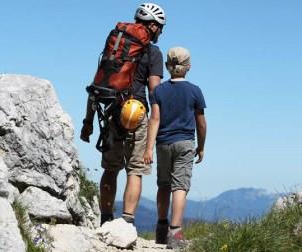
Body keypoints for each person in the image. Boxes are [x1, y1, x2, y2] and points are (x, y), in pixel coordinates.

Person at [80, 3, 166, 226]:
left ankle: (106, 218)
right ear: (154, 26)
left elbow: (98, 82)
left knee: (110, 168)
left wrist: (88, 122)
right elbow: (155, 90)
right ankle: (127, 222)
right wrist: (157, 119)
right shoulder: (153, 53)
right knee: (135, 170)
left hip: (111, 110)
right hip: (136, 112)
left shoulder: (114, 47)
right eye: (161, 27)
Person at [143, 47, 207, 249]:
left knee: (163, 185)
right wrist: (202, 147)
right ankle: (175, 232)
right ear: (188, 67)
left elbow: (154, 119)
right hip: (185, 143)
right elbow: (201, 123)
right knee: (180, 186)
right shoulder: (195, 91)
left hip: (163, 143)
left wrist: (148, 148)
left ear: (167, 66)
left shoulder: (159, 91)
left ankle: (161, 228)